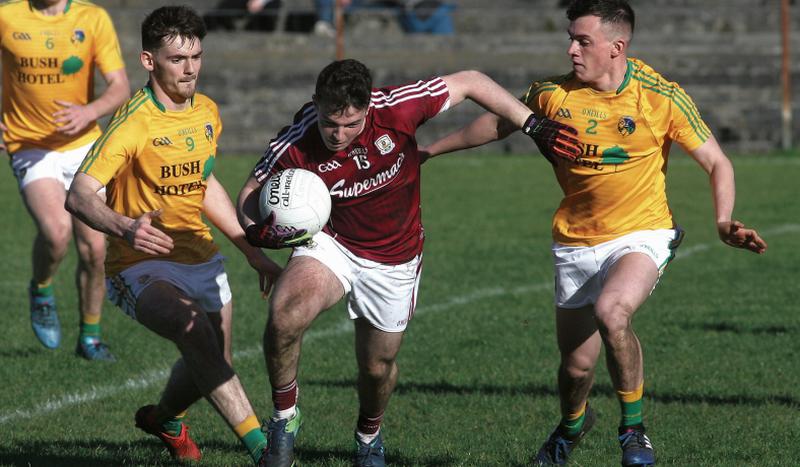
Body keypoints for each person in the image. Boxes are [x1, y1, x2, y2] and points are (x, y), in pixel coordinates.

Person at [422, 1, 768, 466]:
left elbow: (716, 161)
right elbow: (499, 123)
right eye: (570, 37)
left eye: (582, 40)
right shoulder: (553, 95)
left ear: (616, 46)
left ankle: (634, 429)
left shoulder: (657, 95)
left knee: (613, 313)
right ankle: (573, 423)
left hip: (642, 234)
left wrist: (723, 220)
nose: (571, 49)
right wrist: (430, 151)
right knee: (576, 367)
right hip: (575, 242)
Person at [236, 58, 579, 467]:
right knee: (285, 315)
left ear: (368, 108)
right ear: (316, 104)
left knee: (377, 367)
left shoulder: (398, 107)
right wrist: (257, 230)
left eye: (352, 124)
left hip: (395, 259)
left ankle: (368, 437)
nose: (339, 135)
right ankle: (284, 418)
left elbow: (470, 81)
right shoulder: (297, 139)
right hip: (333, 244)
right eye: (331, 124)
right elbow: (251, 192)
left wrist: (532, 125)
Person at [65, 6, 282, 465]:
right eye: (177, 59)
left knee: (211, 359)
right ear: (149, 61)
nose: (190, 69)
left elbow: (203, 184)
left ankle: (164, 419)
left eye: (197, 57)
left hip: (200, 255)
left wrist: (250, 250)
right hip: (139, 263)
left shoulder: (206, 111)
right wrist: (126, 227)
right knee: (194, 332)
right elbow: (80, 195)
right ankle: (264, 451)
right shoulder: (134, 121)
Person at [0, 0, 130, 360]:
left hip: (83, 145)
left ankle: (90, 337)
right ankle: (41, 289)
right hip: (29, 146)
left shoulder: (92, 18)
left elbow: (119, 85)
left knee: (95, 249)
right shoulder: (7, 16)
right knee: (56, 232)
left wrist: (89, 111)